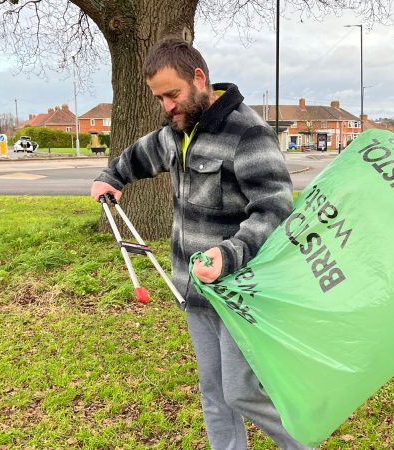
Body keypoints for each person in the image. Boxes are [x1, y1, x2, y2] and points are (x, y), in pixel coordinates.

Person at [90, 37, 308, 450]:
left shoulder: (249, 134)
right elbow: (141, 154)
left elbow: (275, 210)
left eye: (173, 94)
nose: (168, 106)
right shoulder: (177, 131)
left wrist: (228, 254)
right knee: (213, 393)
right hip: (193, 291)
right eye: (160, 99)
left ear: (199, 78)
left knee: (242, 392)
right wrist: (111, 177)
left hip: (241, 294)